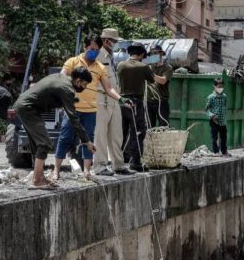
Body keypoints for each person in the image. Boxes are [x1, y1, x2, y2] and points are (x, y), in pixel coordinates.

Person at [54, 35, 127, 180]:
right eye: (91, 49)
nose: (94, 52)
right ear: (85, 47)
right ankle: (56, 170)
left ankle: (86, 171)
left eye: (97, 50)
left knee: (89, 141)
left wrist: (120, 99)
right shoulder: (73, 61)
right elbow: (61, 78)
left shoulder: (100, 67)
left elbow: (108, 88)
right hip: (72, 109)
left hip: (91, 111)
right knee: (64, 138)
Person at [13, 67, 95, 190]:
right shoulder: (67, 88)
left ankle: (40, 178)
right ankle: (36, 181)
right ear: (78, 81)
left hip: (25, 105)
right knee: (45, 143)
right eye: (84, 84)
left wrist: (71, 100)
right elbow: (73, 118)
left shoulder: (62, 78)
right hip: (28, 108)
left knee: (37, 144)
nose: (84, 87)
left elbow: (54, 95)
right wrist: (87, 140)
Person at [118, 43, 166, 171]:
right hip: (136, 102)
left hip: (122, 102)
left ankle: (119, 159)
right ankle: (136, 162)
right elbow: (151, 80)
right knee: (138, 132)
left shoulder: (120, 65)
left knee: (122, 132)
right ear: (142, 54)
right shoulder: (143, 66)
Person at [92, 28, 130, 176]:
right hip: (101, 97)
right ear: (107, 41)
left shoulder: (111, 56)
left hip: (114, 98)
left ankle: (118, 164)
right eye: (114, 41)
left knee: (116, 134)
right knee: (100, 134)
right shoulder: (98, 55)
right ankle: (100, 166)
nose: (115, 44)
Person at [146, 43, 174, 127]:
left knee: (164, 127)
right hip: (148, 102)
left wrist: (149, 73)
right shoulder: (148, 67)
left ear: (161, 54)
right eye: (152, 54)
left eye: (156, 53)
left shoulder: (167, 68)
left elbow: (163, 81)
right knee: (149, 128)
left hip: (161, 102)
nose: (153, 55)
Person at [204, 77, 230, 157]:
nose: (221, 88)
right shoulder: (211, 97)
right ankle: (215, 152)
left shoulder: (224, 96)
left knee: (223, 137)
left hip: (222, 121)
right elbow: (206, 110)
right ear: (214, 86)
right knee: (214, 137)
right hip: (214, 121)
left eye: (222, 87)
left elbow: (224, 106)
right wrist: (212, 116)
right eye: (219, 87)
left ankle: (224, 151)